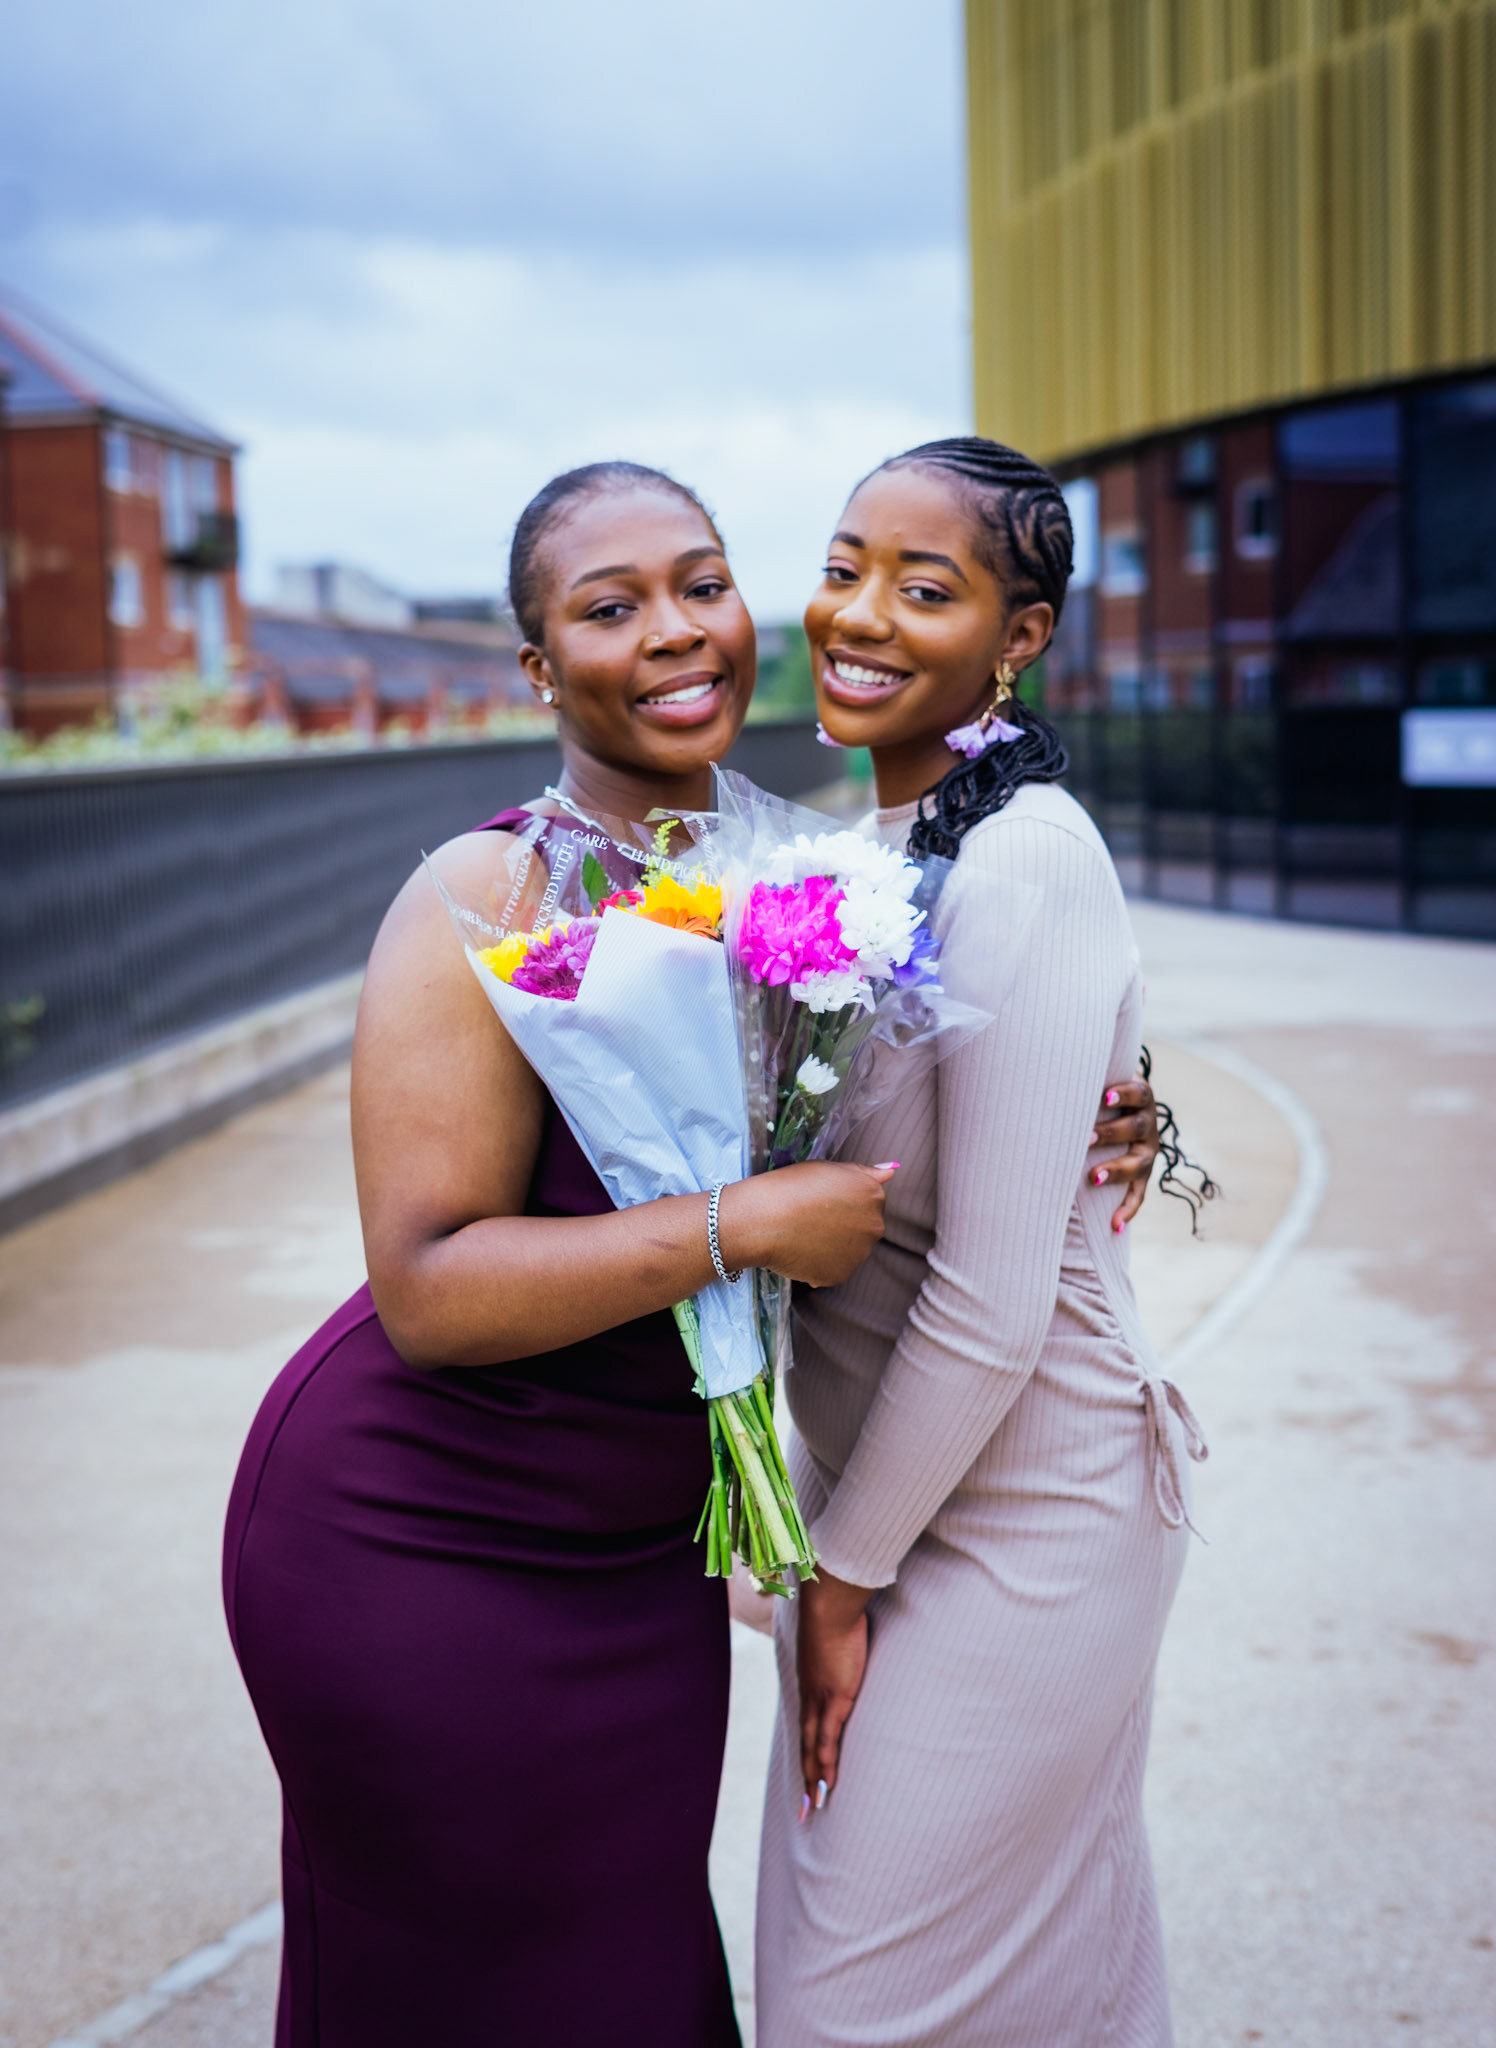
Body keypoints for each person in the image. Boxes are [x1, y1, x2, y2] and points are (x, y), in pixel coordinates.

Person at [223, 460, 1162, 2046]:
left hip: (643, 1555)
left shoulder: (792, 874)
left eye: (703, 586)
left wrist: (1119, 1103)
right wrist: (740, 1227)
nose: (674, 631)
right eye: (612, 609)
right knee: (462, 1988)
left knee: (636, 1974)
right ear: (539, 668)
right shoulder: (486, 889)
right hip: (431, 1524)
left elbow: (954, 1065)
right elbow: (427, 1289)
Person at [755, 438, 1207, 2048]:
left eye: (924, 588)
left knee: (849, 2007)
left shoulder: (1025, 855)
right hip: (882, 1499)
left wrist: (841, 1576)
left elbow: (999, 1294)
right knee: (1043, 1979)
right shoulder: (850, 858)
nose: (861, 614)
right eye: (844, 568)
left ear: (1019, 639)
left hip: (1023, 1514)